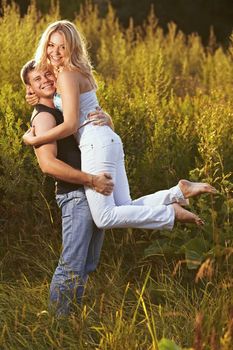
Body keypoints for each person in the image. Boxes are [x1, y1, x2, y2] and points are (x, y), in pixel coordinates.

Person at [23, 20, 217, 231]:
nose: (55, 51)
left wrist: (34, 139)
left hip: (95, 144)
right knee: (124, 206)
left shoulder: (67, 75)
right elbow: (45, 78)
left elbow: (70, 125)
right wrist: (30, 90)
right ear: (45, 45)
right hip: (107, 140)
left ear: (72, 47)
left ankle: (170, 212)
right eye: (51, 45)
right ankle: (178, 193)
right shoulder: (73, 71)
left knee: (104, 218)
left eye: (62, 46)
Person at [20, 59, 115, 316]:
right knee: (71, 266)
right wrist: (90, 179)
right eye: (36, 80)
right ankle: (57, 325)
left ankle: (72, 318)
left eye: (46, 75)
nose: (45, 81)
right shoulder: (44, 116)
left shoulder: (62, 108)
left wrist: (106, 119)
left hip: (89, 192)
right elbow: (48, 165)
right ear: (30, 89)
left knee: (87, 263)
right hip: (75, 196)